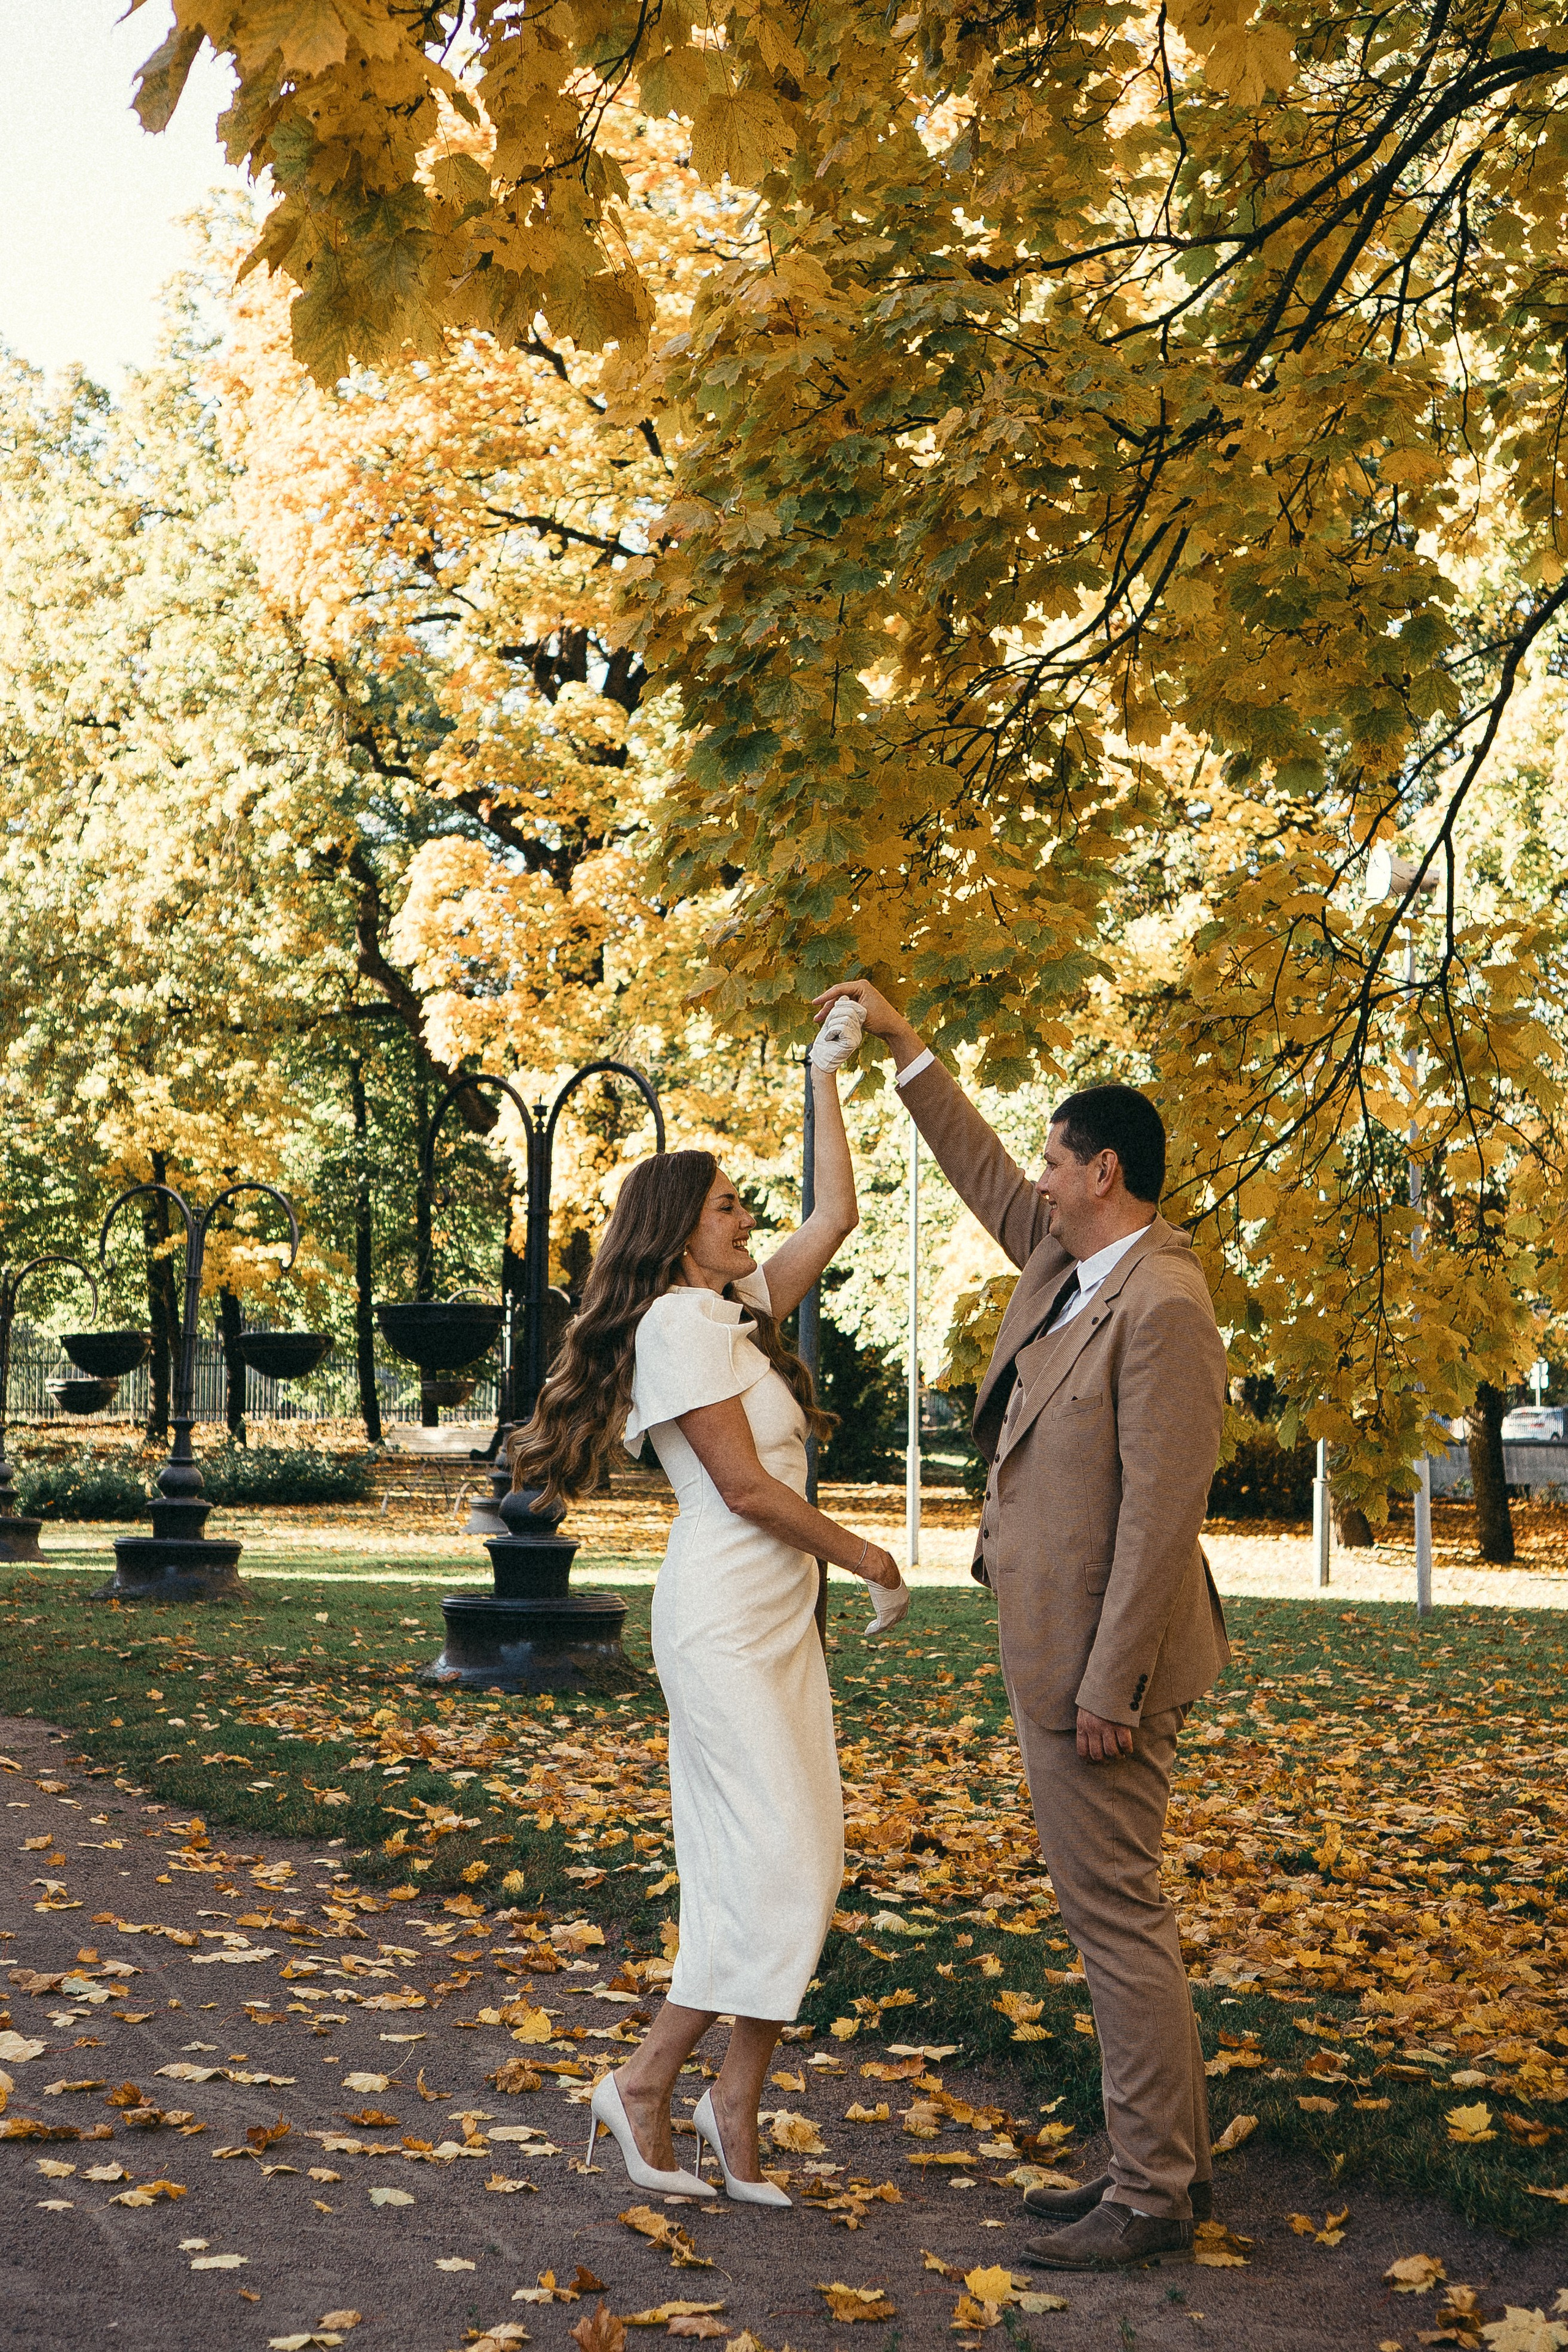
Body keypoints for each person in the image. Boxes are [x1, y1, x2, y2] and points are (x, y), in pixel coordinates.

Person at [813, 980, 1229, 2273]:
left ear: (1104, 1171)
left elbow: (1160, 1520)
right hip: (1053, 1643)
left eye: (1057, 1162)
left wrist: (1108, 1683)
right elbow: (981, 1171)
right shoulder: (1069, 1259)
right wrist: (900, 1048)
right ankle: (1157, 2167)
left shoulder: (1162, 1301)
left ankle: (1152, 2192)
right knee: (1105, 1907)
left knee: (1113, 1913)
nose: (1037, 1181)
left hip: (1102, 1667)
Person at [508, 1022, 907, 2208]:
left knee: (791, 1862)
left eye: (743, 1206)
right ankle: (648, 2083)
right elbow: (742, 1488)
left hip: (773, 1623)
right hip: (726, 1617)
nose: (746, 1220)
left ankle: (727, 2100)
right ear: (679, 1226)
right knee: (778, 1859)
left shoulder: (730, 1310)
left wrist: (822, 1073)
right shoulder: (678, 1325)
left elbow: (833, 1218)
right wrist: (871, 1556)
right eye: (728, 1206)